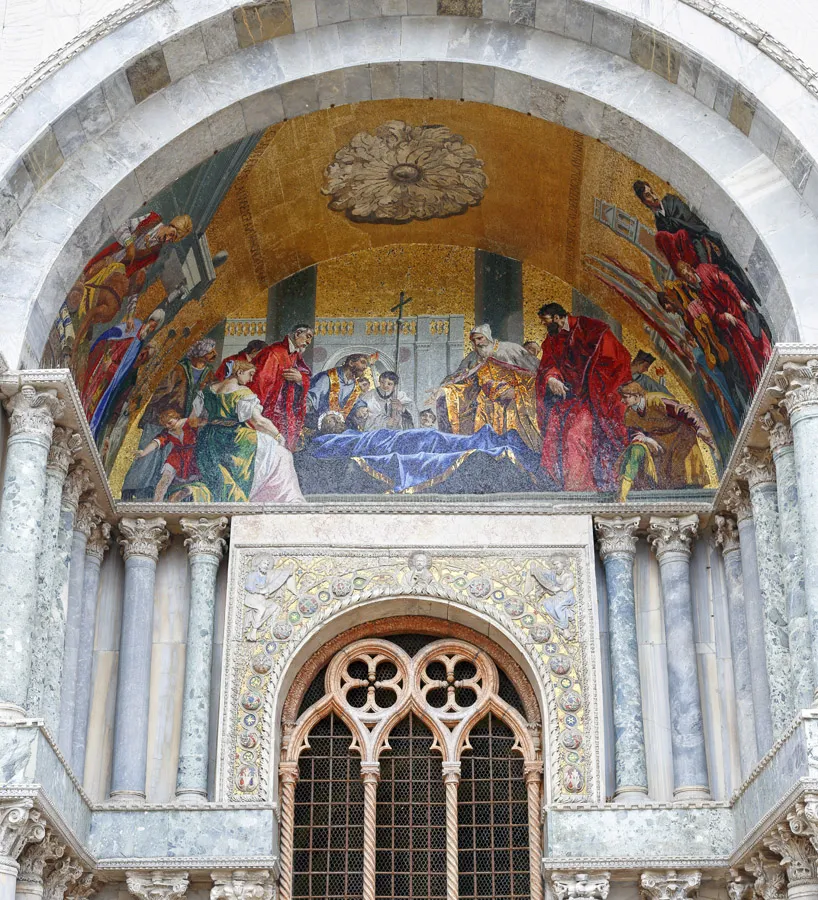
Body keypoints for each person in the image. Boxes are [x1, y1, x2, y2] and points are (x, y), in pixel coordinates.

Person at [633, 180, 765, 336]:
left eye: (652, 191)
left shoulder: (671, 201)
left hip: (699, 239)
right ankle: (740, 322)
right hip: (691, 258)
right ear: (644, 202)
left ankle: (749, 307)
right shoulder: (659, 223)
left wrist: (680, 233)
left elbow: (691, 223)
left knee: (721, 273)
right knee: (708, 288)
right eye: (648, 196)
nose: (654, 196)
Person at [536, 303, 631, 492]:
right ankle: (556, 484)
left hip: (597, 396)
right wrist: (552, 378)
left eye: (546, 322)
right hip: (571, 397)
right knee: (554, 426)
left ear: (557, 318)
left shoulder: (592, 329)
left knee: (576, 434)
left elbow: (616, 361)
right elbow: (548, 364)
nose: (544, 326)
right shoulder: (552, 339)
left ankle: (579, 488)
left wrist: (593, 385)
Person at [192, 359, 304, 503]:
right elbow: (259, 422)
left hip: (208, 440)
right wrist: (277, 435)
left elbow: (193, 421)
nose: (251, 379)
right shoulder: (242, 393)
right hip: (235, 438)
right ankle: (286, 498)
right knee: (282, 454)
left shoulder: (205, 391)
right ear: (239, 372)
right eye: (250, 374)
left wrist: (215, 422)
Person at [121, 338, 218, 500]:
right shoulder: (179, 369)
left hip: (183, 423)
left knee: (168, 455)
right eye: (209, 351)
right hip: (162, 417)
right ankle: (133, 487)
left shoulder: (209, 373)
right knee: (149, 453)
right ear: (200, 353)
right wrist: (154, 413)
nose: (213, 354)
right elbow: (162, 391)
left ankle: (154, 489)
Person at [437, 324, 541, 452]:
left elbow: (535, 371)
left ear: (488, 337)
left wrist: (517, 391)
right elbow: (459, 376)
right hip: (485, 404)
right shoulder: (473, 357)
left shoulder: (510, 349)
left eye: (480, 338)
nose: (477, 343)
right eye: (474, 340)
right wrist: (444, 389)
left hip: (513, 399)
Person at [674, 260, 771, 391]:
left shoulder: (704, 270)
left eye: (688, 273)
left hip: (739, 310)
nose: (689, 277)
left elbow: (726, 281)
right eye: (686, 277)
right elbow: (714, 314)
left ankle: (769, 359)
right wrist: (725, 317)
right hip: (732, 324)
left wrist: (740, 300)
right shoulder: (700, 292)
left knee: (755, 339)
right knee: (745, 353)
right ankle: (761, 379)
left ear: (690, 268)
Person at [617, 381, 713, 501]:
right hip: (659, 441)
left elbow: (682, 411)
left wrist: (700, 428)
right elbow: (634, 432)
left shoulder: (656, 400)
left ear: (636, 395)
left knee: (684, 470)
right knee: (665, 474)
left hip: (680, 437)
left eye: (625, 397)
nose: (622, 401)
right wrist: (647, 439)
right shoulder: (630, 413)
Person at [82, 309, 165, 441]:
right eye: (152, 323)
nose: (151, 327)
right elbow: (114, 337)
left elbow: (124, 369)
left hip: (112, 377)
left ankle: (87, 422)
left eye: (154, 327)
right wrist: (109, 359)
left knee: (98, 401)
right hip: (105, 365)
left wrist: (114, 370)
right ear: (149, 320)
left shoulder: (139, 345)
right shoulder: (134, 326)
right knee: (90, 392)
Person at [249, 326, 313, 450]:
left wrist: (301, 379)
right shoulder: (273, 353)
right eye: (308, 337)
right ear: (297, 333)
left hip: (285, 411)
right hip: (270, 411)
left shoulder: (294, 354)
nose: (309, 342)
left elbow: (304, 375)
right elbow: (260, 385)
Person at [133, 407, 200, 502]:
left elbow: (196, 411)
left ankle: (184, 494)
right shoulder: (167, 432)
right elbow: (156, 442)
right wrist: (143, 453)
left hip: (192, 455)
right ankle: (157, 503)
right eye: (165, 424)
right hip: (176, 456)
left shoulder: (189, 422)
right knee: (164, 479)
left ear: (176, 418)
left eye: (170, 422)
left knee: (192, 482)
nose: (168, 426)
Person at [307, 353, 374, 427]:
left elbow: (354, 401)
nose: (365, 367)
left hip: (341, 425)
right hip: (322, 425)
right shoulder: (327, 378)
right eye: (362, 362)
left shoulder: (353, 384)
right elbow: (310, 400)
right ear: (351, 363)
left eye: (366, 365)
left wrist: (360, 408)